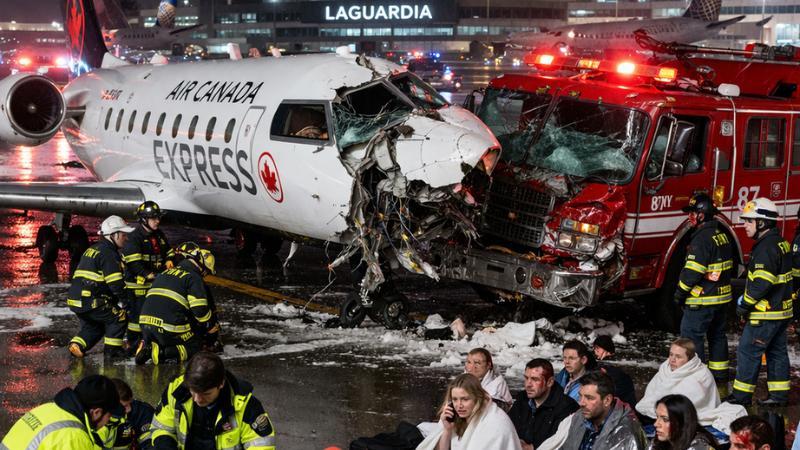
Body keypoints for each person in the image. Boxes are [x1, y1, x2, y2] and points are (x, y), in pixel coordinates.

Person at [732, 198, 793, 406]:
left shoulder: (765, 248)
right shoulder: (780, 243)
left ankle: (741, 398)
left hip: (765, 314)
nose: (745, 225)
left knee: (748, 352)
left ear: (762, 223)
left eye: (749, 221)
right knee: (776, 353)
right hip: (781, 312)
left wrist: (744, 305)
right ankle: (778, 396)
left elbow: (761, 284)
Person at [150, 351, 276, 450]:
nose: (197, 400)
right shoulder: (175, 391)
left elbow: (262, 446)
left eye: (206, 393)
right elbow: (161, 428)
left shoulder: (246, 406)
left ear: (221, 383)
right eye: (193, 391)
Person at [673, 193, 733, 381]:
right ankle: (719, 376)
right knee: (717, 337)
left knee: (691, 340)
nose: (689, 217)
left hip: (701, 301)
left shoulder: (700, 239)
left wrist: (679, 295)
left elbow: (692, 273)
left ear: (702, 214)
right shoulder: (722, 236)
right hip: (722, 299)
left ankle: (696, 379)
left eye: (693, 212)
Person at [636, 338, 745, 432]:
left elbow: (692, 404)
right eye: (671, 354)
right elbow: (652, 395)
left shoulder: (701, 375)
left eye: (678, 356)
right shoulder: (665, 368)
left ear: (689, 360)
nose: (672, 359)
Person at [136, 245, 220, 365]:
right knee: (196, 346)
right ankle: (159, 353)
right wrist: (211, 326)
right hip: (167, 328)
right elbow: (200, 311)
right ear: (202, 267)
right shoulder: (194, 277)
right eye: (207, 272)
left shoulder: (166, 272)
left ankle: (147, 343)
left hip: (145, 324)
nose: (205, 275)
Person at [66, 215, 134, 358]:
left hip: (76, 300)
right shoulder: (108, 253)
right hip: (90, 300)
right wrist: (127, 302)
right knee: (118, 317)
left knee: (95, 325)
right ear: (113, 235)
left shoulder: (94, 249)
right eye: (123, 234)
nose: (126, 238)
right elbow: (115, 284)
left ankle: (77, 345)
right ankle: (113, 351)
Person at [1, 374, 123, 449]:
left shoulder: (48, 408)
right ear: (96, 412)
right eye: (109, 416)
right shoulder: (74, 436)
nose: (108, 421)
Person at [538, 371, 646, 450]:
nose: (581, 403)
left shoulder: (626, 431)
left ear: (607, 400)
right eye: (580, 396)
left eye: (589, 398)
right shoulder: (580, 417)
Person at [415, 373, 522, 450]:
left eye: (465, 399)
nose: (459, 405)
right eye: (455, 399)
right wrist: (447, 430)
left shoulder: (494, 422)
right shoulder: (461, 417)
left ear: (477, 398)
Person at [121, 200, 175, 353]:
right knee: (136, 317)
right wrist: (147, 274)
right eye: (154, 218)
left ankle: (150, 342)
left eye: (158, 218)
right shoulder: (134, 237)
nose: (157, 221)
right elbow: (134, 263)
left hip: (154, 283)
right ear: (144, 219)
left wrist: (170, 260)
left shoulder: (159, 234)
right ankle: (133, 344)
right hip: (137, 286)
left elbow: (168, 251)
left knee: (153, 315)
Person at [508, 358, 579, 450]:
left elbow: (560, 441)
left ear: (549, 382)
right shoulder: (522, 399)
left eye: (535, 379)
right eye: (526, 378)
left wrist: (532, 447)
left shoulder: (566, 406)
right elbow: (508, 425)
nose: (528, 384)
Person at [95, 378, 155, 450]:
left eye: (130, 403)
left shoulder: (142, 412)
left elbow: (150, 443)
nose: (129, 409)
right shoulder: (95, 419)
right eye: (124, 406)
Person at [649, 394, 718, 450]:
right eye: (657, 417)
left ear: (682, 423)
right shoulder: (660, 441)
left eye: (665, 419)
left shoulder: (699, 446)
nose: (656, 424)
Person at [592, 335, 637, 408]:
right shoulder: (614, 362)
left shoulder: (611, 367)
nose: (595, 351)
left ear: (606, 348)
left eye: (597, 348)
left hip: (621, 407)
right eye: (594, 348)